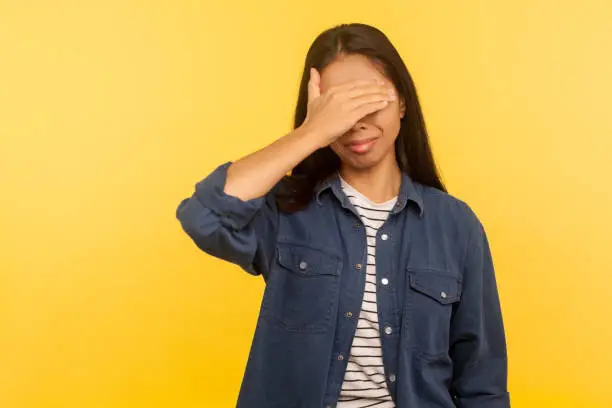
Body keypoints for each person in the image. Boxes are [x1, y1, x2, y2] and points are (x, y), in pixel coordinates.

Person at [176, 23, 509, 408]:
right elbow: (203, 216)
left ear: (402, 102)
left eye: (369, 100)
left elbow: (482, 382)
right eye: (338, 107)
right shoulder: (285, 212)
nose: (355, 122)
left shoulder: (457, 227)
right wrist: (310, 133)